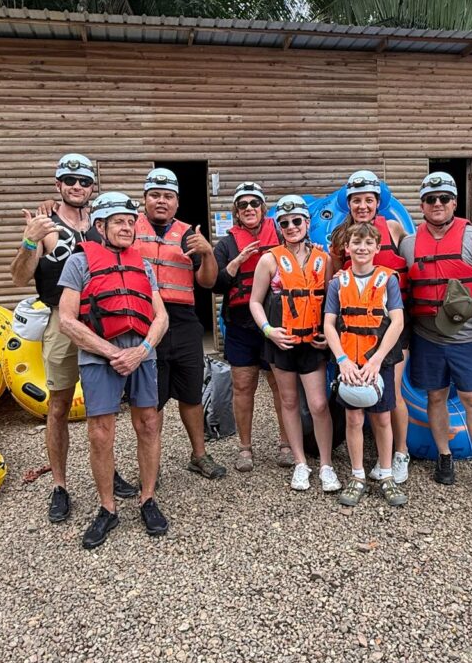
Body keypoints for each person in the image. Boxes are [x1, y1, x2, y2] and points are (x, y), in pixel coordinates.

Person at [10, 153, 136, 524]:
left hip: (102, 324)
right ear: (58, 184)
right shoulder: (44, 226)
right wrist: (30, 243)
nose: (77, 187)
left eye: (83, 182)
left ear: (92, 187)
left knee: (105, 409)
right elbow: (19, 278)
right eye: (70, 181)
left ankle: (107, 472)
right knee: (59, 407)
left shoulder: (103, 223)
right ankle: (60, 486)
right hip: (61, 323)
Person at [57, 193, 170, 549]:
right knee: (100, 433)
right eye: (118, 221)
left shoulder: (144, 265)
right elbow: (65, 320)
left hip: (141, 351)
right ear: (100, 227)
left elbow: (161, 316)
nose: (126, 227)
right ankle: (107, 508)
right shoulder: (79, 262)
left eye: (130, 221)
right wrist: (110, 352)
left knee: (149, 423)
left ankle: (147, 498)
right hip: (99, 352)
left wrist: (142, 351)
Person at [399, 172, 472, 499]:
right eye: (431, 199)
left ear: (454, 203)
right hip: (426, 337)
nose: (437, 204)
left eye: (444, 199)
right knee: (435, 396)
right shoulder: (408, 243)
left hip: (467, 336)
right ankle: (444, 456)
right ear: (422, 204)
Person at [134, 167, 226, 479]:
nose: (161, 201)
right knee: (152, 401)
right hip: (145, 321)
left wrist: (208, 253)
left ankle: (199, 455)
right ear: (145, 199)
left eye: (168, 196)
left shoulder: (189, 233)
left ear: (177, 202)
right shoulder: (127, 228)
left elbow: (208, 282)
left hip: (185, 323)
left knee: (191, 395)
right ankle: (152, 465)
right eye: (155, 195)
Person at [249, 195, 341, 494]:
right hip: (282, 342)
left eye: (296, 221)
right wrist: (268, 331)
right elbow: (255, 302)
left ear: (307, 223)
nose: (291, 226)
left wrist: (330, 333)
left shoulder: (323, 259)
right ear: (279, 227)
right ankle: (301, 463)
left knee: (318, 404)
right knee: (288, 401)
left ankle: (326, 464)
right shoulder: (269, 259)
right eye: (284, 223)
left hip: (312, 343)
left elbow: (332, 300)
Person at [329, 170, 411, 486]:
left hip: (390, 320)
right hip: (354, 325)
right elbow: (336, 275)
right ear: (349, 204)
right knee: (359, 395)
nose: (362, 206)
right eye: (357, 201)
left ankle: (398, 455)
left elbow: (409, 267)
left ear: (377, 202)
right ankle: (364, 466)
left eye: (368, 200)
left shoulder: (393, 228)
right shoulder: (340, 236)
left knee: (392, 392)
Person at [324, 222, 406, 507]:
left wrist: (377, 359)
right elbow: (329, 324)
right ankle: (357, 475)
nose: (362, 248)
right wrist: (342, 361)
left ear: (377, 247)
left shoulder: (388, 280)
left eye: (368, 243)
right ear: (347, 247)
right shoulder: (338, 282)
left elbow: (397, 321)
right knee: (353, 418)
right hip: (348, 360)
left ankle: (386, 475)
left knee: (382, 418)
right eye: (356, 242)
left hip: (378, 360)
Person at [213, 181, 293, 472]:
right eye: (243, 204)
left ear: (263, 207)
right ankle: (245, 448)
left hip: (276, 321)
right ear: (236, 211)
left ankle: (286, 444)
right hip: (240, 325)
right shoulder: (226, 244)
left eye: (254, 203)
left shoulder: (283, 233)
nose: (249, 208)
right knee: (243, 386)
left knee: (281, 386)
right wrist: (236, 263)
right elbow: (216, 285)